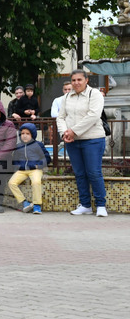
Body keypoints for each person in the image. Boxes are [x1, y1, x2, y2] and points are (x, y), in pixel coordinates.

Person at [58, 69, 108, 217]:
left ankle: (100, 205)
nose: (76, 83)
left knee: (94, 172)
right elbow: (60, 117)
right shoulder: (67, 97)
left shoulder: (95, 94)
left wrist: (73, 131)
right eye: (73, 80)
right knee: (79, 173)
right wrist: (64, 133)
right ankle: (85, 205)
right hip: (73, 140)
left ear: (86, 80)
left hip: (93, 139)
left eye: (79, 80)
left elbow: (93, 116)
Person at [9, 123, 51, 214]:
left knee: (36, 182)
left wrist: (38, 165)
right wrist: (17, 167)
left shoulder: (38, 145)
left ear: (33, 135)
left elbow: (47, 158)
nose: (25, 136)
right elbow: (14, 159)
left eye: (28, 134)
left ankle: (37, 205)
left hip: (35, 169)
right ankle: (25, 202)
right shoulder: (18, 146)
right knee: (11, 183)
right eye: (23, 133)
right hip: (22, 170)